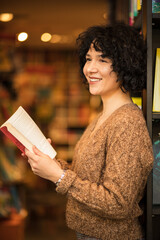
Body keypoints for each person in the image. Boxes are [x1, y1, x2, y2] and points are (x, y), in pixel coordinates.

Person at [25, 23, 154, 240]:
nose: (90, 68)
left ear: (125, 65)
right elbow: (88, 178)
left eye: (102, 60)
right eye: (88, 58)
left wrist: (59, 177)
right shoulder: (103, 117)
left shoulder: (127, 123)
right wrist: (51, 163)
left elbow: (118, 203)